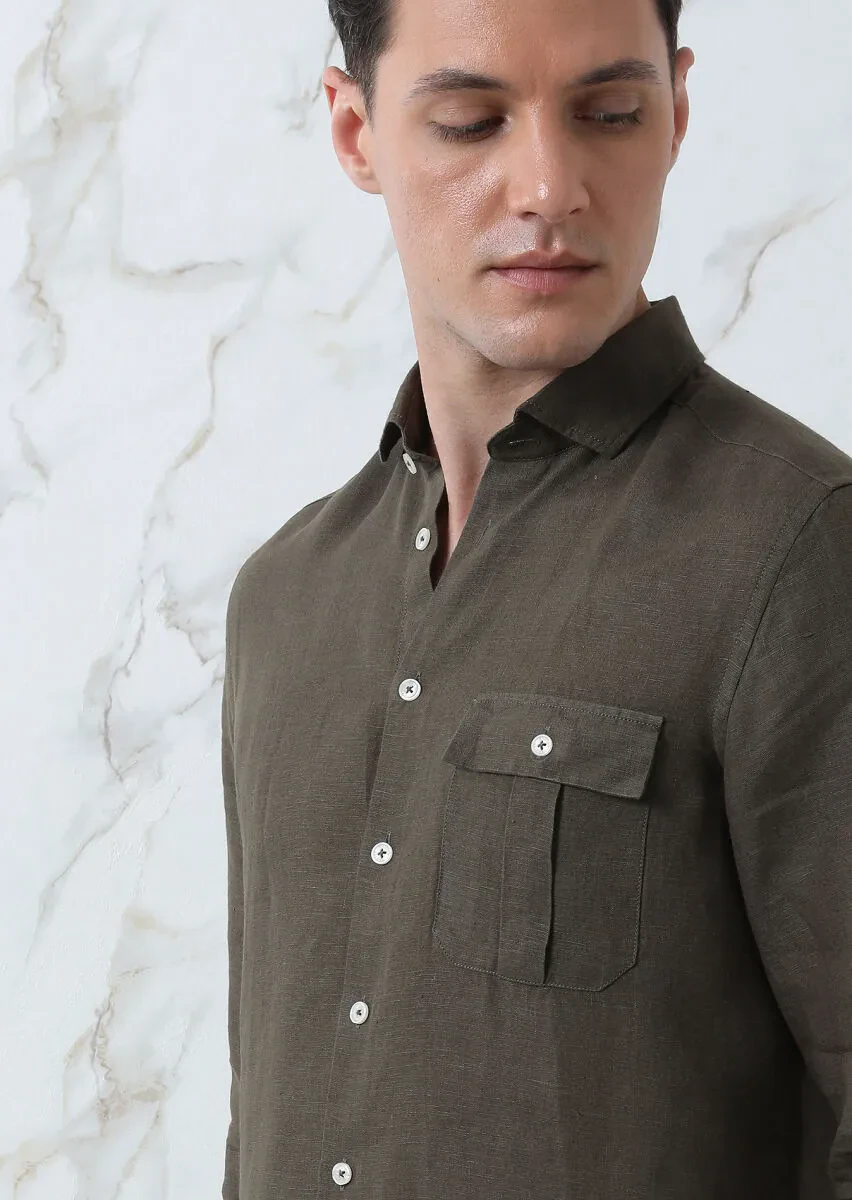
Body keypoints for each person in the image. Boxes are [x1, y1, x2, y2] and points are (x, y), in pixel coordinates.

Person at [220, 0, 852, 1194]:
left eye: (609, 113)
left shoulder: (800, 549)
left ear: (677, 112)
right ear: (355, 132)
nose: (551, 187)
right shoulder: (284, 601)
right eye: (470, 123)